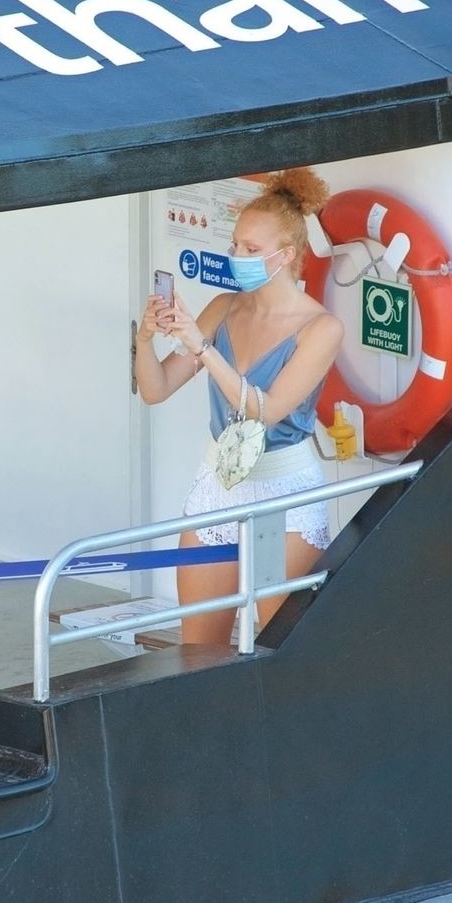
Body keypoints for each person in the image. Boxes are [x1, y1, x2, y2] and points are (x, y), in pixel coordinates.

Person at [135, 169, 344, 644]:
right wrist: (145, 338)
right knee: (199, 649)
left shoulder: (322, 327)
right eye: (235, 245)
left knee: (281, 647)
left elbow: (266, 411)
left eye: (251, 249)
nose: (237, 256)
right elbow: (156, 389)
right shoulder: (223, 307)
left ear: (285, 255)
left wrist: (202, 348)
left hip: (284, 490)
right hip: (219, 484)